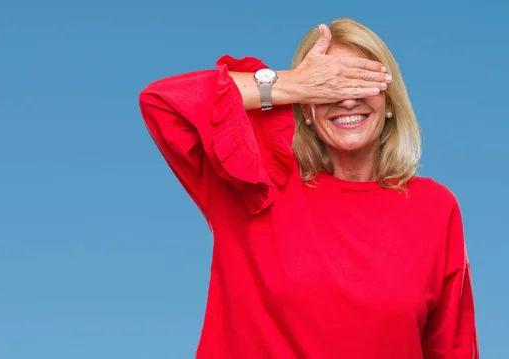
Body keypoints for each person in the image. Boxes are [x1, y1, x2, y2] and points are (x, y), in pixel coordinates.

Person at [138, 18, 479, 359]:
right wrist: (290, 83)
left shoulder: (434, 208)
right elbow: (162, 103)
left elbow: (453, 348)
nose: (346, 99)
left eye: (360, 81)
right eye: (329, 86)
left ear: (390, 103)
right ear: (308, 109)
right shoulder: (253, 183)